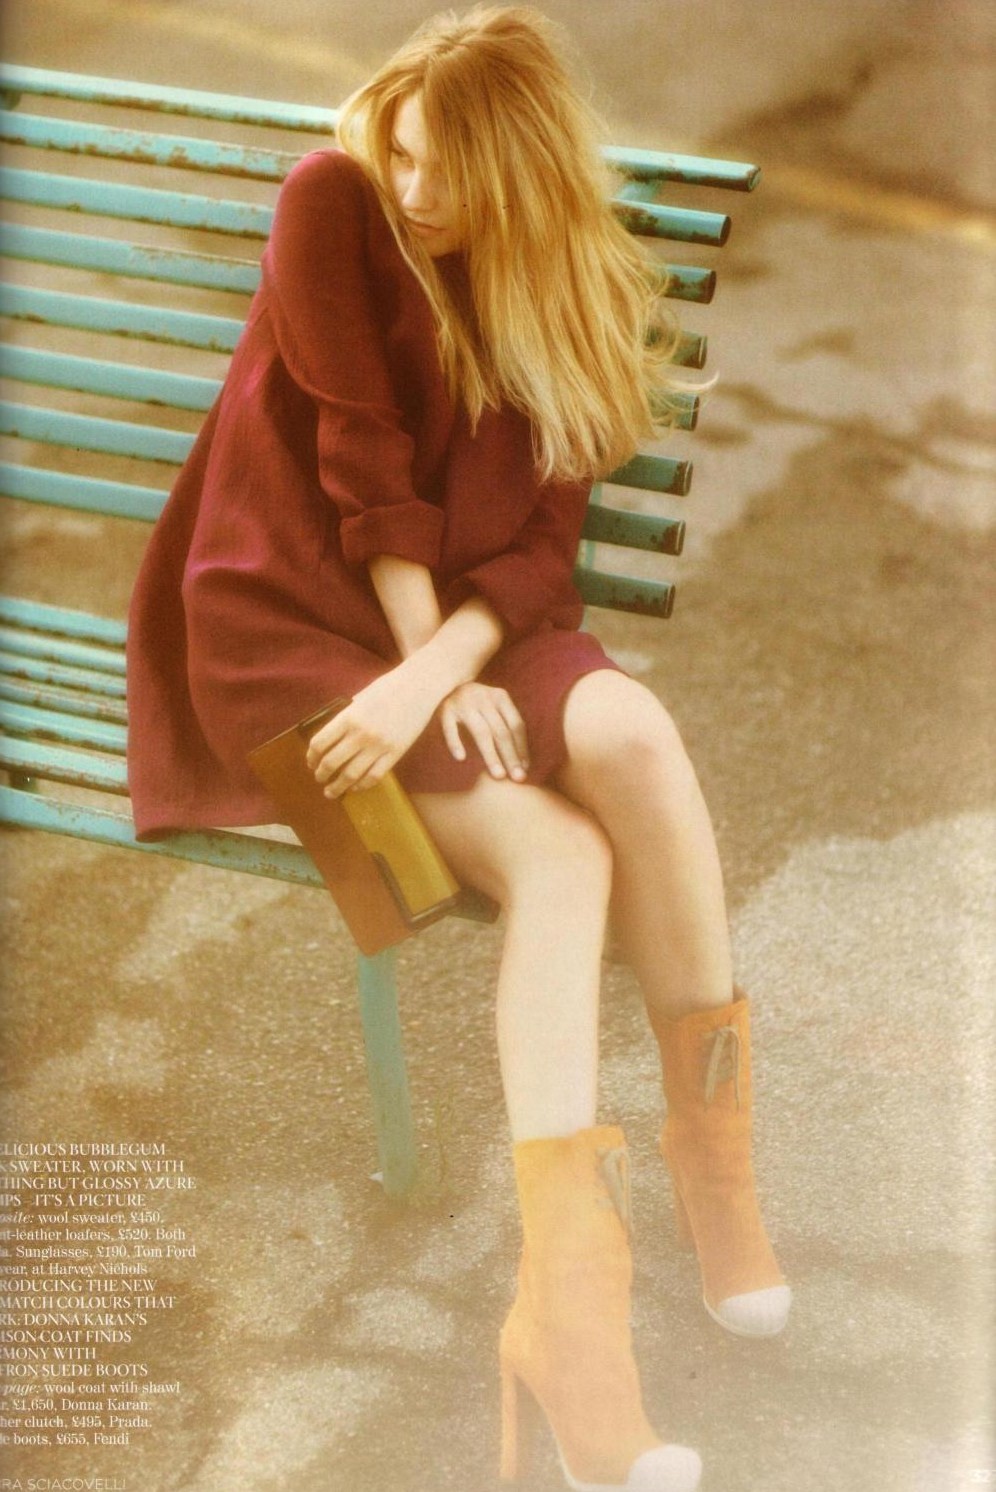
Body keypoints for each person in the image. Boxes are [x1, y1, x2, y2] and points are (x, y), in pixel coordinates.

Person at [126, 7, 790, 1489]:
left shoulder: (566, 287)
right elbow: (364, 473)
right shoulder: (335, 202)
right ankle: (570, 1324)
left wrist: (446, 666)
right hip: (290, 630)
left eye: (449, 172)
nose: (416, 190)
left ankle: (716, 1170)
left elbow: (541, 547)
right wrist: (421, 680)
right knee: (560, 856)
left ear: (521, 180)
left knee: (632, 733)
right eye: (408, 152)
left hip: (458, 631)